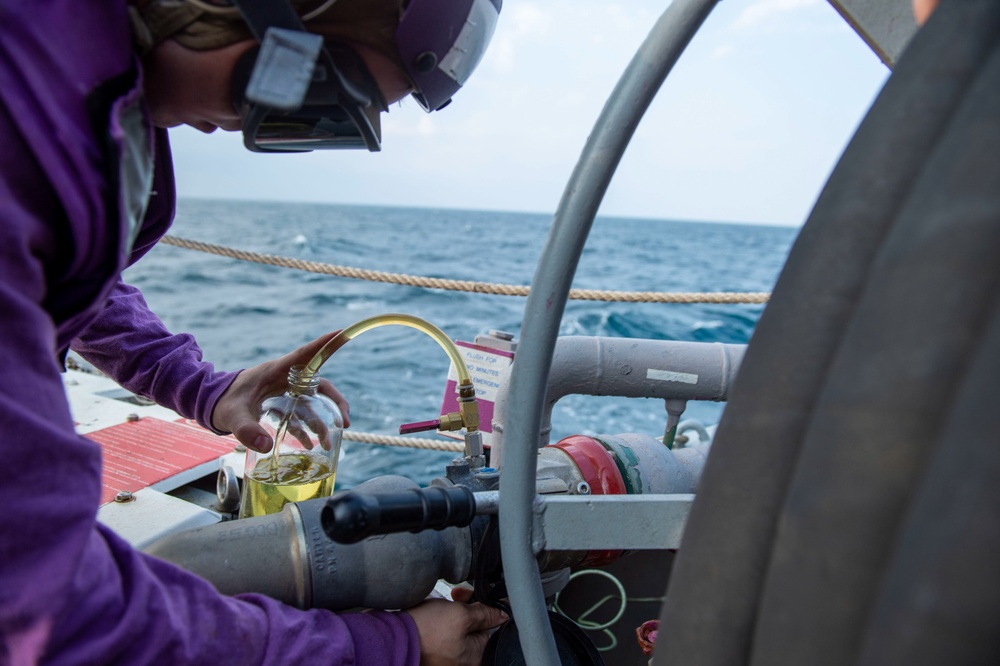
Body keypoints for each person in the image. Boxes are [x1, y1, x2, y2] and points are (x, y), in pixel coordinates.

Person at [0, 0, 507, 663]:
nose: (272, 123)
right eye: (321, 92)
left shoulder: (58, 87)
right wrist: (393, 644)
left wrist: (203, 388)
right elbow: (62, 617)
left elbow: (45, 272)